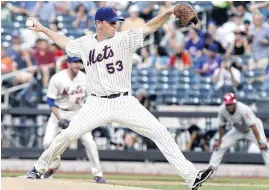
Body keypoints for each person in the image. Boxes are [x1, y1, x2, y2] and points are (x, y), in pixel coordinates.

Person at [25, 6, 213, 190]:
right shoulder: (85, 43)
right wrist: (42, 29)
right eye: (112, 22)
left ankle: (191, 177)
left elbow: (149, 27)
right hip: (96, 103)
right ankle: (38, 168)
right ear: (99, 23)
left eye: (117, 22)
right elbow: (65, 42)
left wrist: (167, 12)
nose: (116, 25)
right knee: (68, 135)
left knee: (160, 132)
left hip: (124, 101)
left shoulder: (125, 39)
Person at [41, 56, 106, 183]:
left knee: (90, 143)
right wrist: (60, 119)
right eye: (75, 62)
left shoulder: (85, 79)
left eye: (80, 62)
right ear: (68, 63)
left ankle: (98, 173)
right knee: (47, 142)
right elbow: (50, 101)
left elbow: (91, 99)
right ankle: (54, 164)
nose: (78, 65)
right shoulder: (57, 78)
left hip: (78, 114)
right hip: (59, 113)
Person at [209, 93, 269, 173]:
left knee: (265, 148)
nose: (229, 106)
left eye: (231, 104)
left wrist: (260, 142)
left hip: (252, 129)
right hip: (238, 130)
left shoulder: (243, 109)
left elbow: (253, 126)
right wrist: (219, 141)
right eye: (227, 104)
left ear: (235, 102)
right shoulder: (222, 110)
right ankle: (209, 173)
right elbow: (221, 126)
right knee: (219, 147)